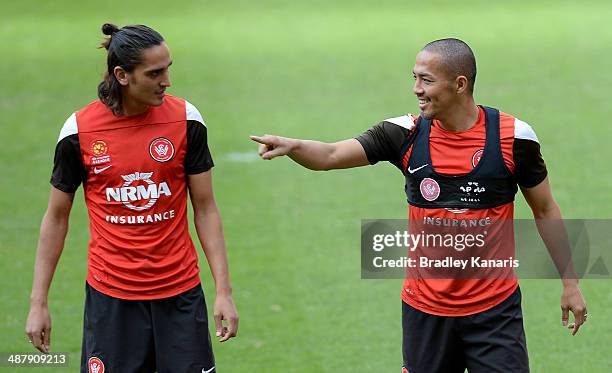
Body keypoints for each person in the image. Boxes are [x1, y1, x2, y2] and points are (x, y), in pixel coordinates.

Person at [250, 38, 587, 372]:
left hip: (494, 312)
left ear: (459, 84)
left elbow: (545, 210)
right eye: (415, 77)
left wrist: (570, 284)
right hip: (425, 312)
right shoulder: (403, 133)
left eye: (426, 80)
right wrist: (294, 145)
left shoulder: (514, 137)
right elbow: (331, 155)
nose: (416, 89)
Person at [25, 23, 238, 373]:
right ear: (122, 75)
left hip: (180, 295)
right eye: (155, 73)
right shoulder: (79, 131)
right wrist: (38, 302)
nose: (167, 80)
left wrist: (223, 291)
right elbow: (56, 217)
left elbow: (205, 208)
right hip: (112, 300)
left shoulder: (187, 120)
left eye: (168, 68)